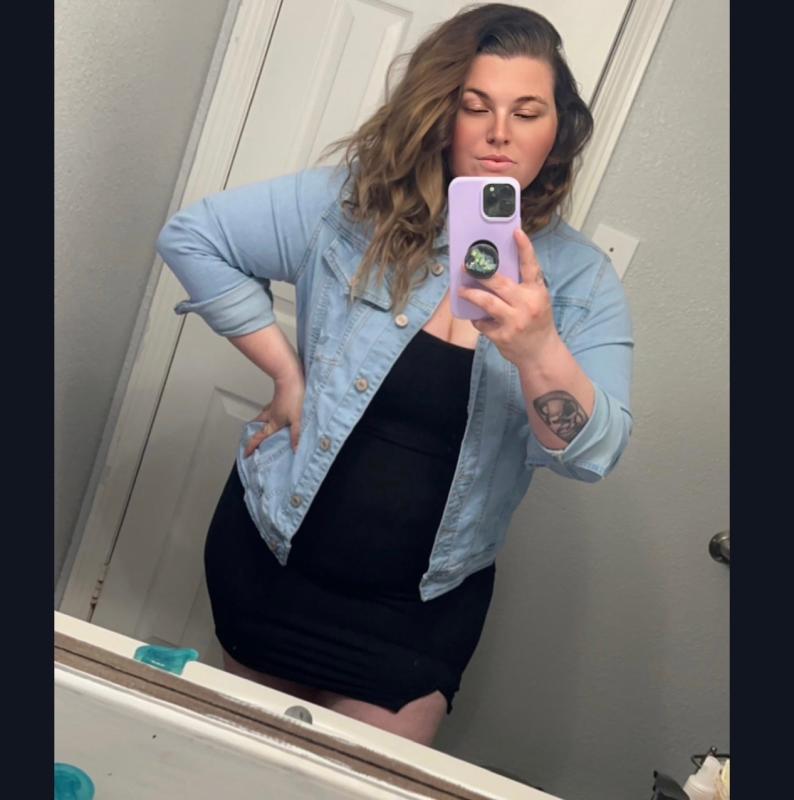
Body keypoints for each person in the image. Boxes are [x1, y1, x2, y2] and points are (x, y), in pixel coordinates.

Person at [155, 3, 633, 747]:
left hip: (417, 619)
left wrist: (538, 345)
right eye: (475, 106)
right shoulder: (353, 210)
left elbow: (592, 453)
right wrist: (286, 374)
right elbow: (193, 237)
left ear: (557, 130)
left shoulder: (580, 283)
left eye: (526, 112)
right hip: (275, 563)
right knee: (243, 767)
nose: (499, 132)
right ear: (443, 116)